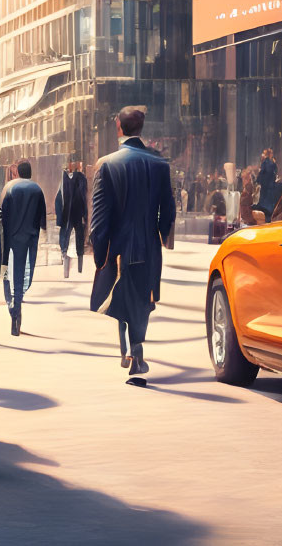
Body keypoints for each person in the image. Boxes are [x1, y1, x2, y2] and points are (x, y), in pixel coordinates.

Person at [89, 106, 175, 385]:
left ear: (118, 126)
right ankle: (135, 347)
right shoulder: (160, 164)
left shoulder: (107, 164)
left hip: (118, 246)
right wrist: (159, 235)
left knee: (120, 294)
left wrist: (99, 252)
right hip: (148, 245)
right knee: (141, 299)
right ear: (141, 128)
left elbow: (100, 217)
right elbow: (169, 210)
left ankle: (129, 350)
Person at [0, 160, 47, 335]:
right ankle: (17, 305)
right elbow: (42, 218)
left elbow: (2, 214)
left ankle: (12, 307)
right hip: (30, 238)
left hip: (11, 239)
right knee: (24, 276)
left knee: (7, 273)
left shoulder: (10, 188)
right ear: (30, 172)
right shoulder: (37, 190)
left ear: (17, 172)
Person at [54, 159, 89, 279]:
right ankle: (75, 267)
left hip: (69, 214)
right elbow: (84, 197)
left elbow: (58, 199)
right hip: (72, 214)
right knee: (72, 239)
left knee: (68, 240)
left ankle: (72, 268)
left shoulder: (66, 179)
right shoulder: (78, 179)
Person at [257, 148, 280, 216]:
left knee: (265, 198)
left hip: (265, 183)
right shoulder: (272, 162)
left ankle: (265, 212)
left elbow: (262, 172)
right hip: (270, 183)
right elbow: (275, 171)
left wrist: (258, 180)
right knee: (269, 198)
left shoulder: (265, 162)